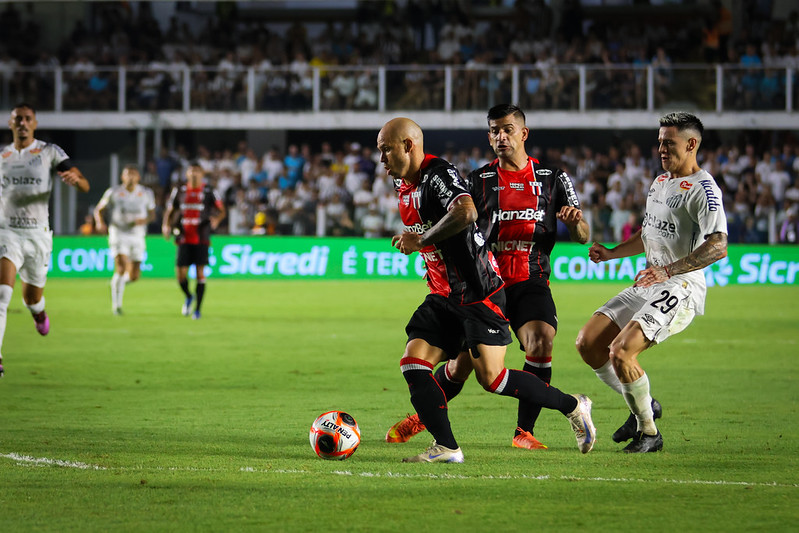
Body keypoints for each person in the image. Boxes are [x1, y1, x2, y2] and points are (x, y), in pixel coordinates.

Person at [377, 117, 595, 463]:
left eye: (386, 149)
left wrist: (422, 241)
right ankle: (446, 447)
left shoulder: (439, 174)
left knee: (491, 379)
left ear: (408, 145)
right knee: (414, 363)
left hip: (479, 291)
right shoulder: (405, 185)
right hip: (444, 293)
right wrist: (431, 258)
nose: (382, 159)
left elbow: (464, 211)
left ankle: (572, 405)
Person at [575, 112, 728, 453]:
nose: (660, 148)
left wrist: (669, 271)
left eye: (668, 143)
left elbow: (719, 245)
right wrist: (612, 254)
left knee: (621, 351)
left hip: (681, 286)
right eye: (659, 141)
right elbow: (649, 236)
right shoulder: (660, 182)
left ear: (691, 144)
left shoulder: (704, 188)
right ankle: (644, 404)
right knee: (588, 343)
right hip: (650, 280)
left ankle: (648, 432)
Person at [0, 102, 90, 377]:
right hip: (7, 232)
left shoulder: (49, 151)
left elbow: (85, 185)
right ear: (10, 124)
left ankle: (38, 313)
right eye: (17, 119)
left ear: (35, 123)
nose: (22, 123)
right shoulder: (2, 155)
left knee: (31, 298)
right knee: (3, 294)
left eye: (27, 119)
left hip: (38, 236)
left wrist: (77, 178)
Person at [161, 161, 226, 320]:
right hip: (183, 236)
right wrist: (166, 226)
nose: (194, 173)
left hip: (201, 236)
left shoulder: (209, 190)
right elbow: (171, 210)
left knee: (200, 273)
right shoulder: (180, 190)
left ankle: (197, 310)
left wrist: (216, 220)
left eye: (197, 171)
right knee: (180, 275)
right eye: (191, 171)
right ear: (187, 174)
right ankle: (189, 296)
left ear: (202, 174)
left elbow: (222, 210)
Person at [94, 164, 156, 315]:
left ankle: (116, 284)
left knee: (134, 276)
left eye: (133, 174)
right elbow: (99, 210)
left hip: (137, 235)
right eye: (128, 174)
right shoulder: (114, 192)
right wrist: (100, 222)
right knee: (121, 267)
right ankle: (117, 306)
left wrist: (144, 220)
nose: (131, 177)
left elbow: (152, 214)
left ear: (138, 177)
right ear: (122, 177)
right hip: (118, 233)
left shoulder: (146, 193)